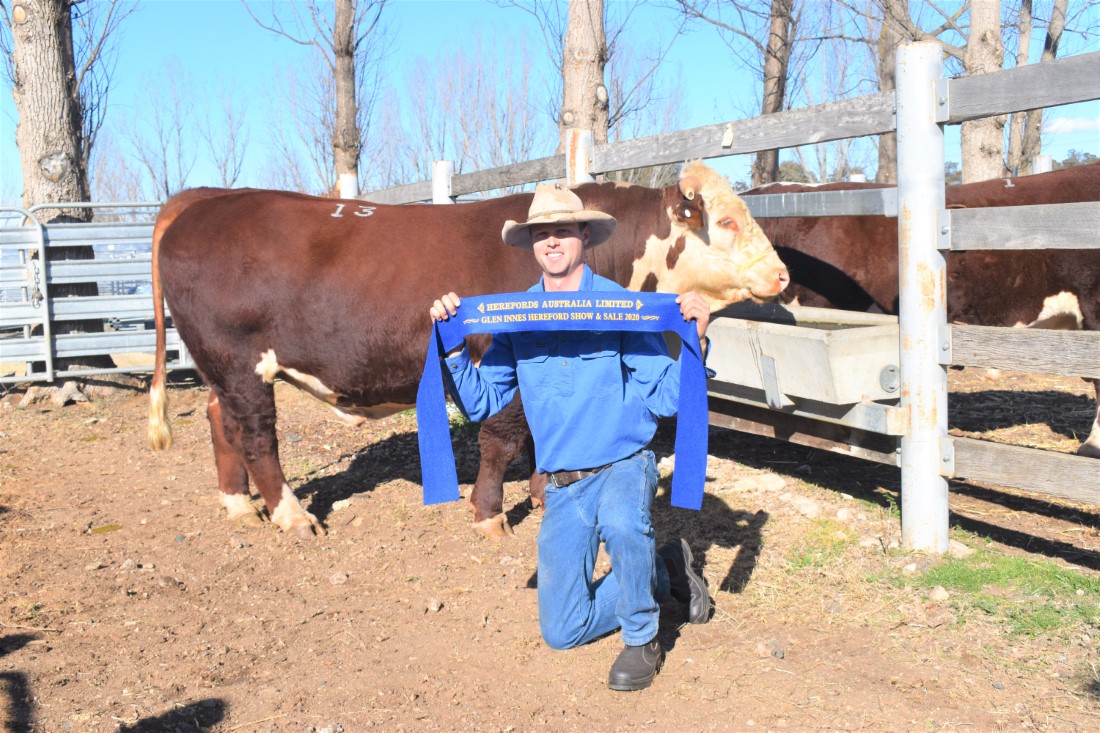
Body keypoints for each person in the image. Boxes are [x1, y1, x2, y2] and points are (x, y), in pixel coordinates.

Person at [429, 181, 712, 691]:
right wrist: (451, 343)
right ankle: (660, 569)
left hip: (623, 462)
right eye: (542, 233)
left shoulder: (623, 308)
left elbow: (665, 399)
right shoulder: (515, 318)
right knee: (562, 630)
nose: (552, 241)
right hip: (561, 484)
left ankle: (642, 634)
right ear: (531, 245)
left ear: (585, 235)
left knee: (626, 525)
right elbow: (482, 403)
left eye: (563, 230)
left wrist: (697, 340)